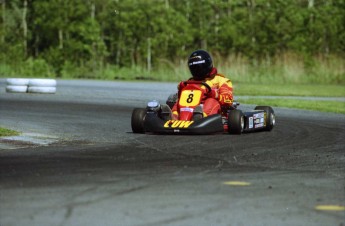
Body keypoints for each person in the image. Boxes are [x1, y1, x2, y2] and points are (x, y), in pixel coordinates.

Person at [171, 49, 234, 119]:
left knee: (211, 101)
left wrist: (213, 94)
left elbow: (228, 100)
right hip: (190, 109)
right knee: (179, 101)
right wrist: (181, 90)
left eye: (199, 67)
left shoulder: (221, 80)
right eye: (194, 68)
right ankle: (173, 117)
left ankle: (200, 117)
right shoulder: (189, 82)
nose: (197, 70)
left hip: (213, 112)